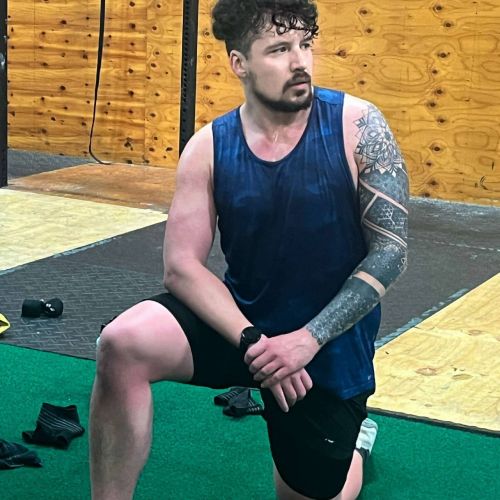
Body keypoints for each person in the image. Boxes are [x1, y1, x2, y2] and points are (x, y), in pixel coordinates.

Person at [89, 0, 409, 498]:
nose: (300, 61)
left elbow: (390, 251)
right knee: (122, 342)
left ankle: (356, 449)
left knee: (312, 491)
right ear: (239, 63)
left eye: (305, 44)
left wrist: (306, 340)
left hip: (323, 349)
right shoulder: (209, 146)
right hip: (243, 325)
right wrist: (251, 340)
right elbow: (181, 267)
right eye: (279, 49)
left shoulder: (359, 126)